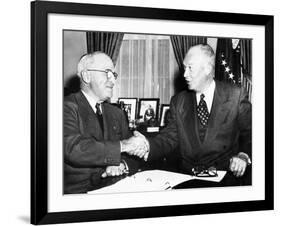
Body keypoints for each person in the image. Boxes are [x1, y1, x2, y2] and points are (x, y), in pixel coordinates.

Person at [123, 44, 252, 183]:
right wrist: (147, 145)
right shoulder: (178, 101)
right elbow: (168, 138)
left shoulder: (235, 95)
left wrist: (243, 156)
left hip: (225, 181)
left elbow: (251, 135)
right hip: (188, 181)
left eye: (190, 68)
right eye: (184, 68)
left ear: (207, 68)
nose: (185, 74)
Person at [64, 52, 140, 194]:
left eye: (113, 74)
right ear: (87, 76)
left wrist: (122, 164)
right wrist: (123, 146)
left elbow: (134, 157)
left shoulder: (116, 113)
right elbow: (73, 149)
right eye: (107, 72)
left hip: (115, 189)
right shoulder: (65, 107)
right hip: (77, 194)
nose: (112, 80)